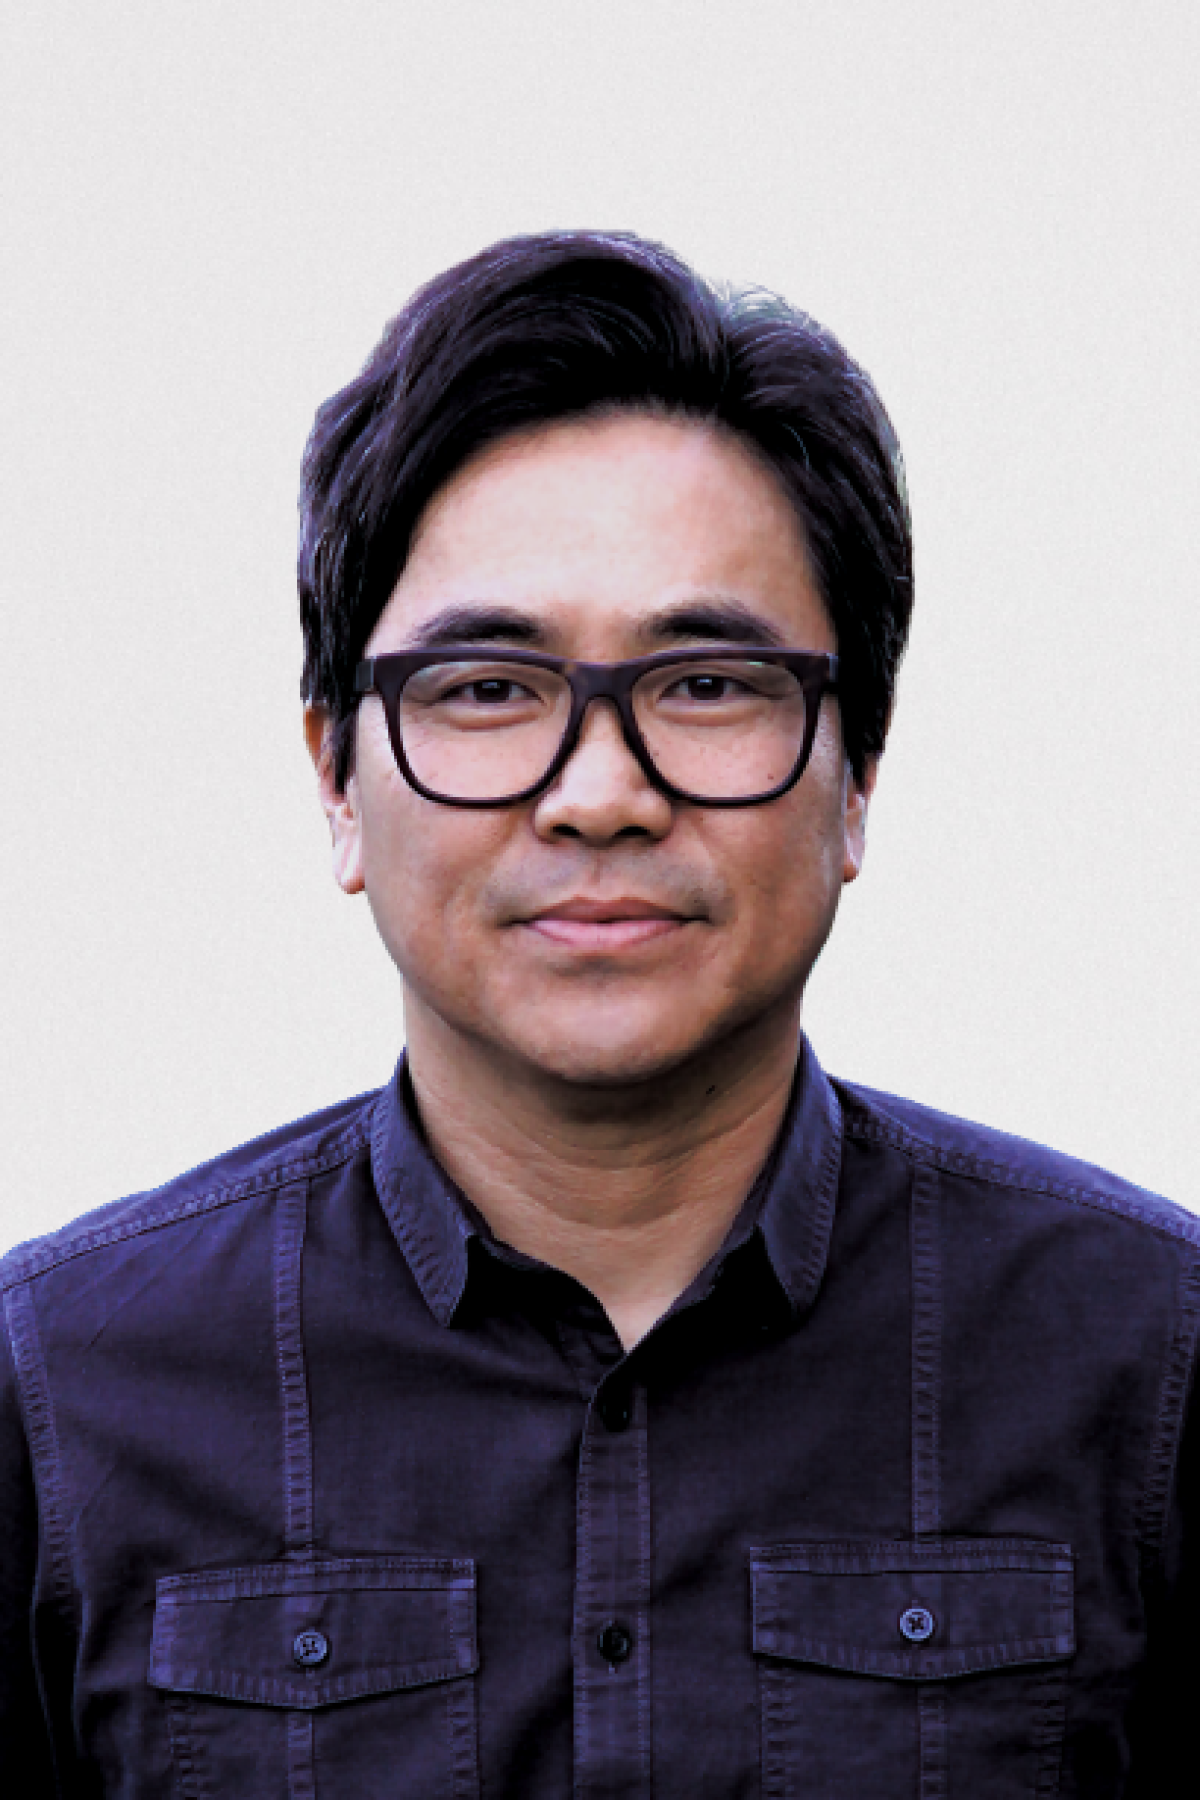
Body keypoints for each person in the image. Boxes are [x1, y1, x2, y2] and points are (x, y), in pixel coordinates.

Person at [0, 230, 1193, 1799]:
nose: (603, 793)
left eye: (707, 684)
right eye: (488, 689)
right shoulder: (63, 1390)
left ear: (859, 776)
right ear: (338, 782)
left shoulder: (1151, 1363)